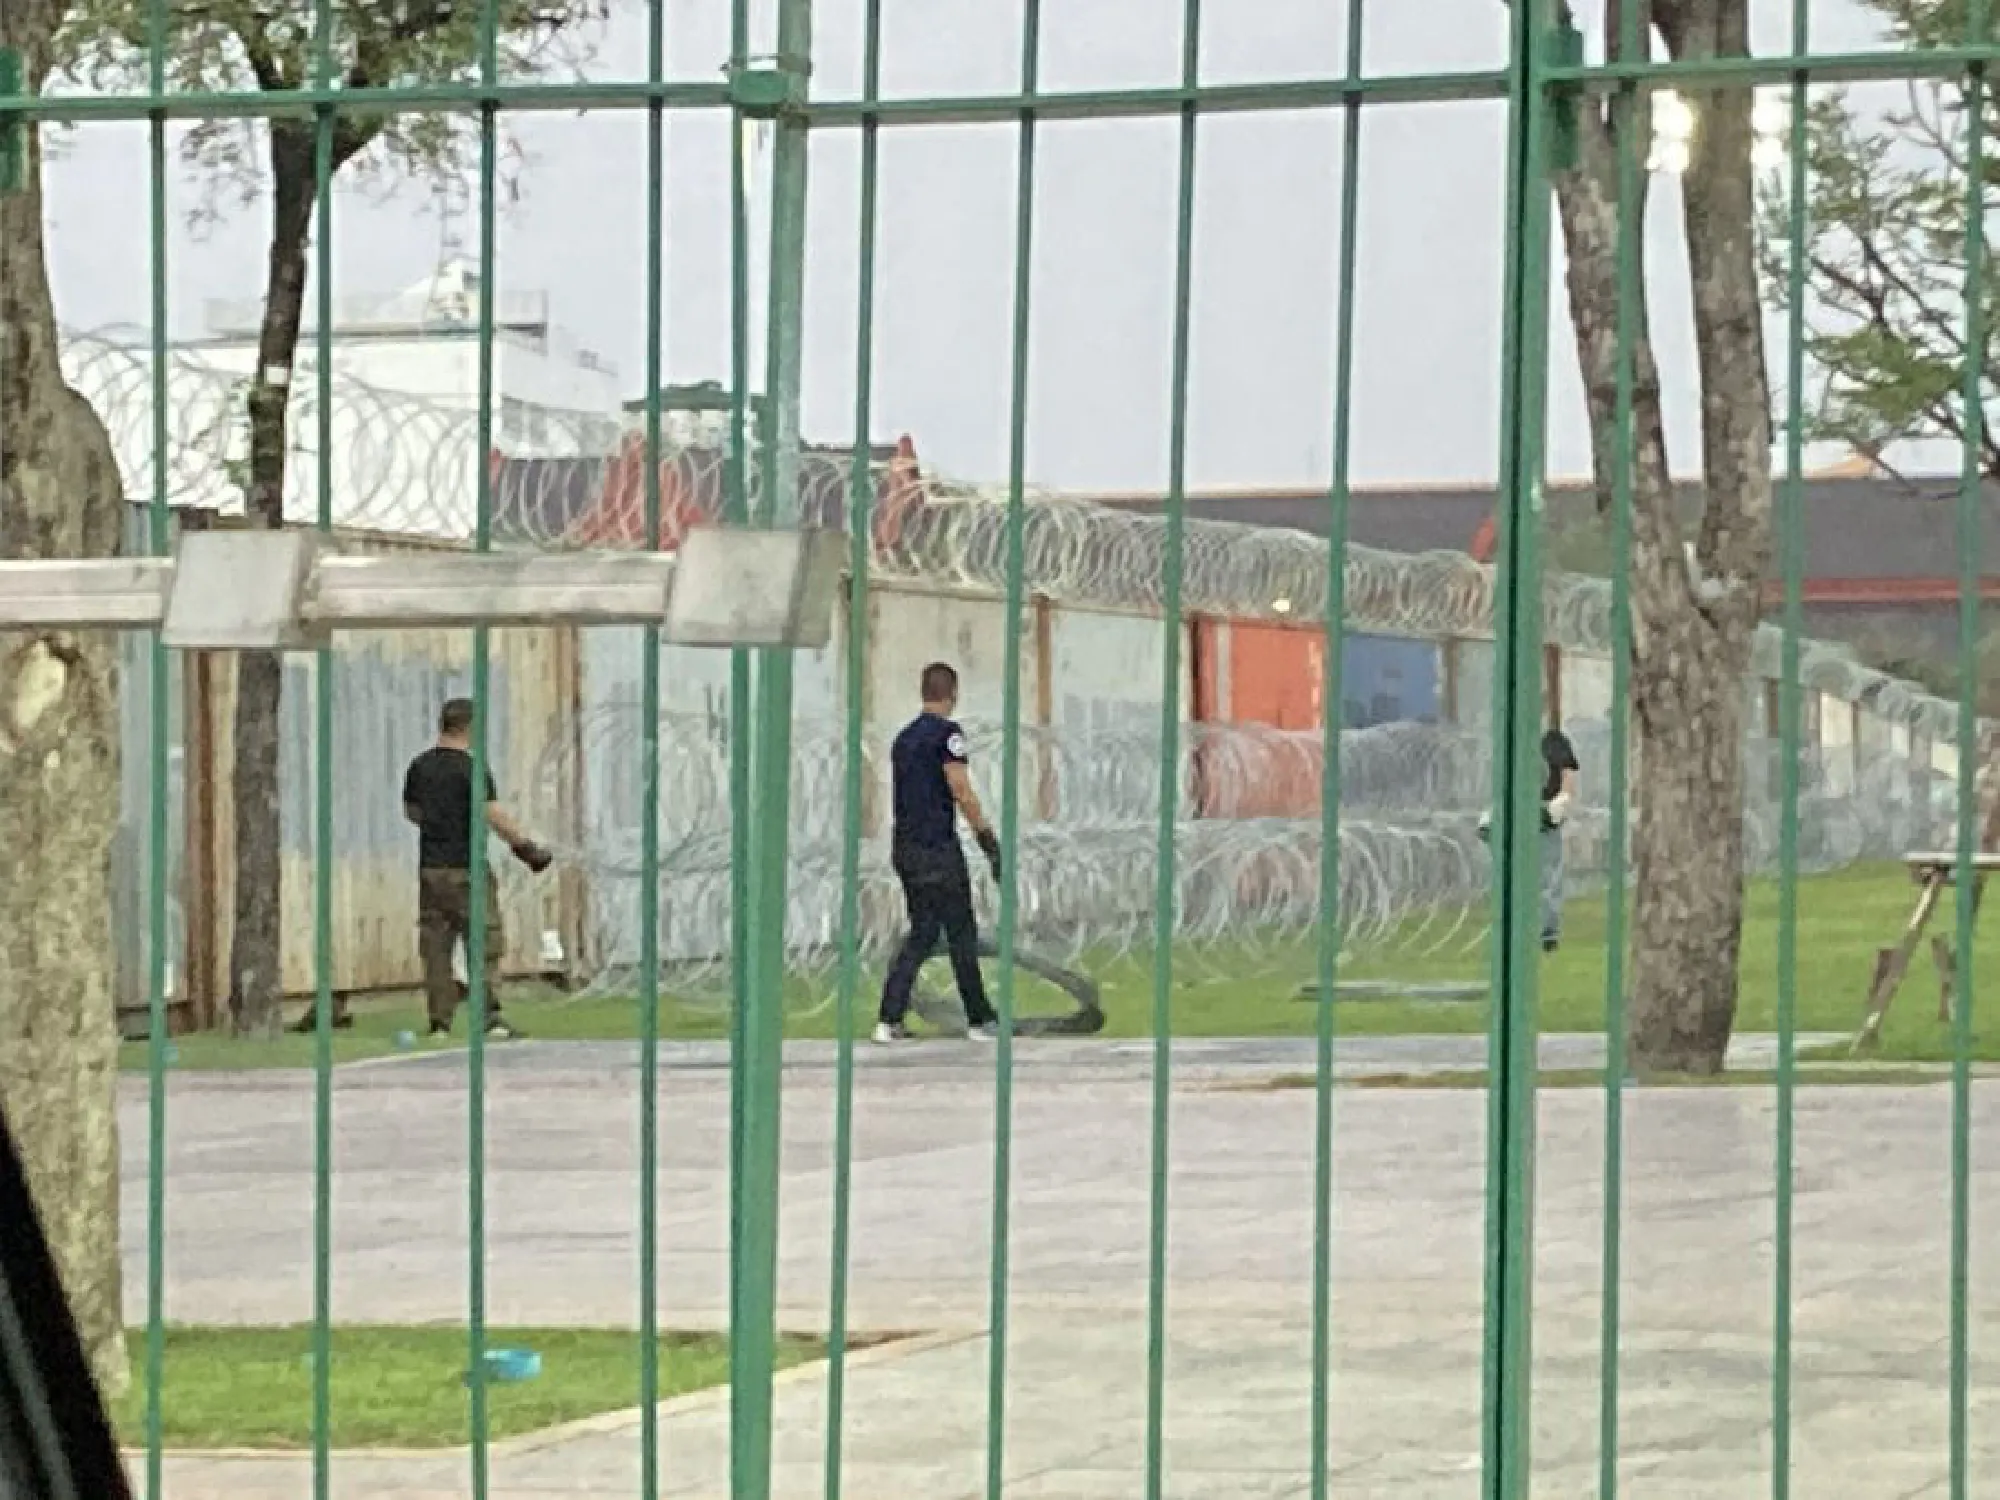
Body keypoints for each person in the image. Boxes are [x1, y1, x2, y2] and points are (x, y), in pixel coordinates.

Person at [401, 698, 553, 1041]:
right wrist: (525, 847)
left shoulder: (419, 766)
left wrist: (438, 824)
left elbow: (411, 812)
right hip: (467, 868)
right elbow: (493, 814)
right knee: (483, 941)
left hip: (431, 868)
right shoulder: (471, 768)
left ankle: (439, 1022)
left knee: (436, 946)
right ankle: (488, 1017)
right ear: (468, 728)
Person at [874, 662, 1005, 1044]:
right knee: (961, 931)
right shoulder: (948, 735)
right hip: (938, 848)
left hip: (906, 847)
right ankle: (980, 1019)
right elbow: (960, 789)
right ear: (953, 693)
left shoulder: (903, 739)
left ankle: (889, 1017)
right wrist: (986, 838)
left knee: (924, 932)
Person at [1539, 719, 1580, 952]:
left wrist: (1562, 801)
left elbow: (1568, 773)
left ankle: (1547, 934)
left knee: (1548, 874)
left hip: (1546, 810)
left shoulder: (1552, 740)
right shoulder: (1510, 737)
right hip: (1519, 807)